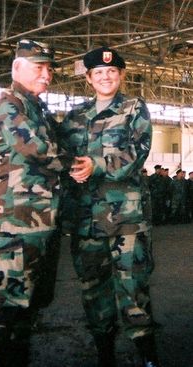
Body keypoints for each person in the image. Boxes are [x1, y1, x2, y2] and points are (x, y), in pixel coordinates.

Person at [59, 46, 159, 367]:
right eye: (98, 73)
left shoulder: (133, 108)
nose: (105, 77)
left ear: (121, 75)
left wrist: (97, 165)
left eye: (112, 72)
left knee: (133, 288)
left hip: (125, 220)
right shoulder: (74, 117)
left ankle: (147, 355)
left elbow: (138, 152)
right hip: (85, 221)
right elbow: (59, 158)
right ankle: (105, 353)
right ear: (89, 78)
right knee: (93, 290)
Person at [0, 39, 71, 367]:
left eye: (49, 69)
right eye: (39, 67)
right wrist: (77, 163)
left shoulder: (37, 107)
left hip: (38, 223)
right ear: (17, 68)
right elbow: (34, 147)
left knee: (28, 306)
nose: (47, 75)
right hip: (13, 224)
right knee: (7, 306)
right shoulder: (7, 103)